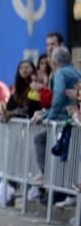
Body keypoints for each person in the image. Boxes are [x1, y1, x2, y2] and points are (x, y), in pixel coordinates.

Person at [31, 46, 81, 185]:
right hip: (74, 120)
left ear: (53, 61)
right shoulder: (77, 71)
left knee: (39, 139)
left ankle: (44, 174)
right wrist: (45, 113)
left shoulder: (60, 73)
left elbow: (58, 97)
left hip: (64, 122)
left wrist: (49, 117)